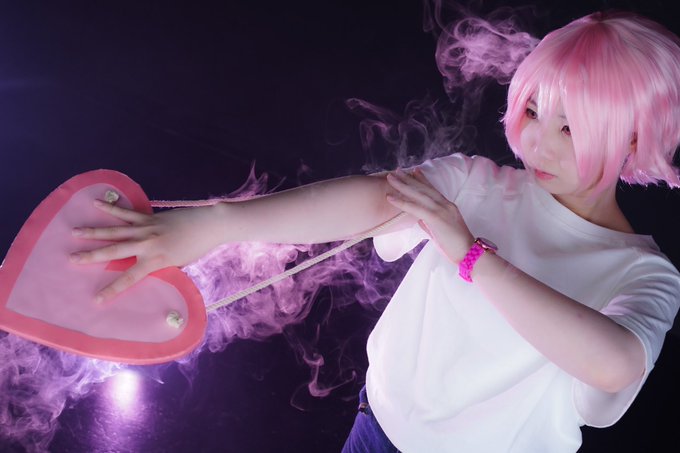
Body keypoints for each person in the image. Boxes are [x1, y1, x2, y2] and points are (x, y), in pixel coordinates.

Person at [69, 11, 680, 453]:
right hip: (376, 431)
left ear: (632, 138)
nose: (538, 142)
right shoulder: (477, 182)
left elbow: (615, 364)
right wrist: (218, 223)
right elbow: (369, 200)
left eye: (570, 129)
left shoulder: (642, 273)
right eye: (533, 111)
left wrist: (469, 254)